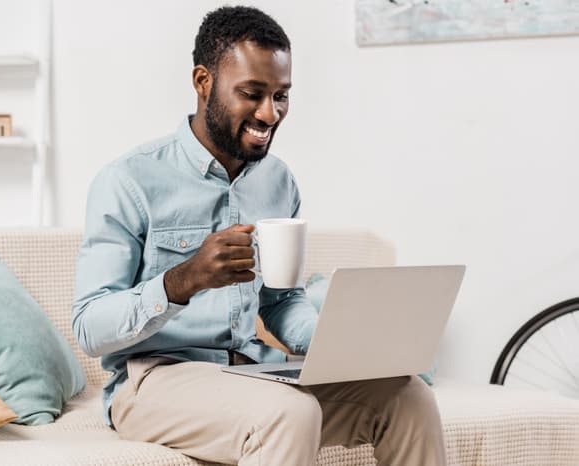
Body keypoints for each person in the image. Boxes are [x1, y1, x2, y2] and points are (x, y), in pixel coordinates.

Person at [72, 5, 446, 465]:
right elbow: (89, 327)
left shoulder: (278, 182)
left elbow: (282, 300)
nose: (270, 113)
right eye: (252, 93)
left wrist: (336, 343)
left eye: (282, 95)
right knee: (289, 413)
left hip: (253, 373)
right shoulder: (129, 180)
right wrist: (181, 281)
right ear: (203, 82)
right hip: (153, 380)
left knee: (408, 398)